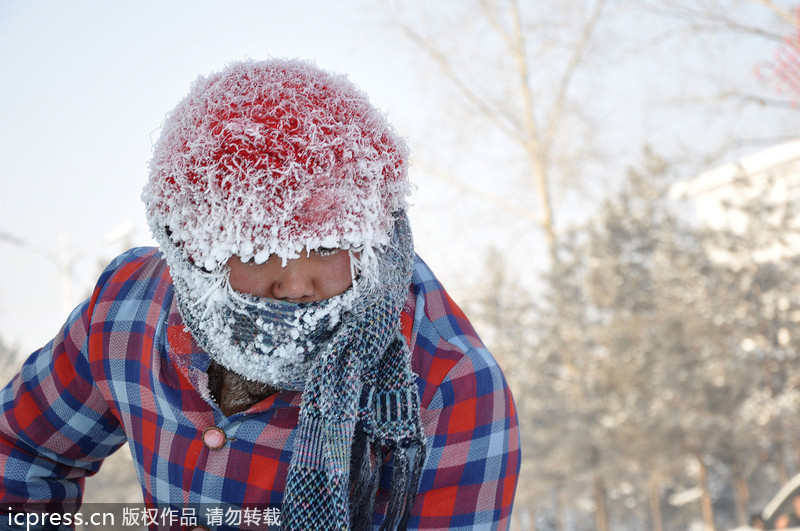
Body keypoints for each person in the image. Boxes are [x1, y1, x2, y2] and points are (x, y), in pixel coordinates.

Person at [0, 59, 520, 530]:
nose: (294, 285)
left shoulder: (450, 389)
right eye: (254, 251)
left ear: (371, 238)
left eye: (324, 245)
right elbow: (19, 451)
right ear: (193, 253)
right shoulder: (128, 310)